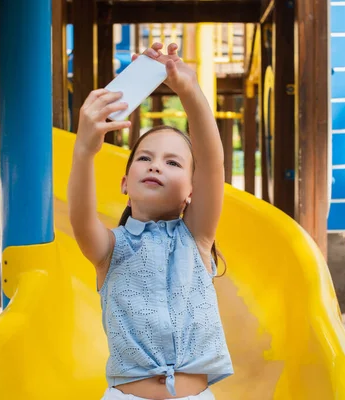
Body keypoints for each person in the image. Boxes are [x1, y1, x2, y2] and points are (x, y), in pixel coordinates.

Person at [68, 42, 234, 400]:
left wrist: (188, 90)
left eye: (173, 163)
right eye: (145, 158)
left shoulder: (197, 238)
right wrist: (84, 149)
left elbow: (212, 161)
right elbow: (80, 216)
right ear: (125, 183)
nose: (157, 165)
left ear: (192, 189)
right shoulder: (110, 249)